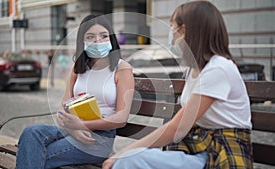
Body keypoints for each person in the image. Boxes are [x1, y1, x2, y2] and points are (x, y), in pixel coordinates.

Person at [103, 1, 252, 169]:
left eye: (172, 26)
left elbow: (177, 128)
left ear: (184, 31)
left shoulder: (218, 69)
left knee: (131, 160)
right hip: (198, 148)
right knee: (133, 160)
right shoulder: (195, 69)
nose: (171, 32)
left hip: (221, 153)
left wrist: (123, 153)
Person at [16, 14, 134, 169]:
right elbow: (62, 110)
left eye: (103, 36)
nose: (98, 41)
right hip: (72, 130)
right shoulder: (78, 68)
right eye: (90, 37)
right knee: (31, 132)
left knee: (33, 154)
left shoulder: (122, 68)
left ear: (111, 38)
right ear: (82, 41)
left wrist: (83, 124)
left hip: (99, 139)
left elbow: (121, 118)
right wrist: (73, 130)